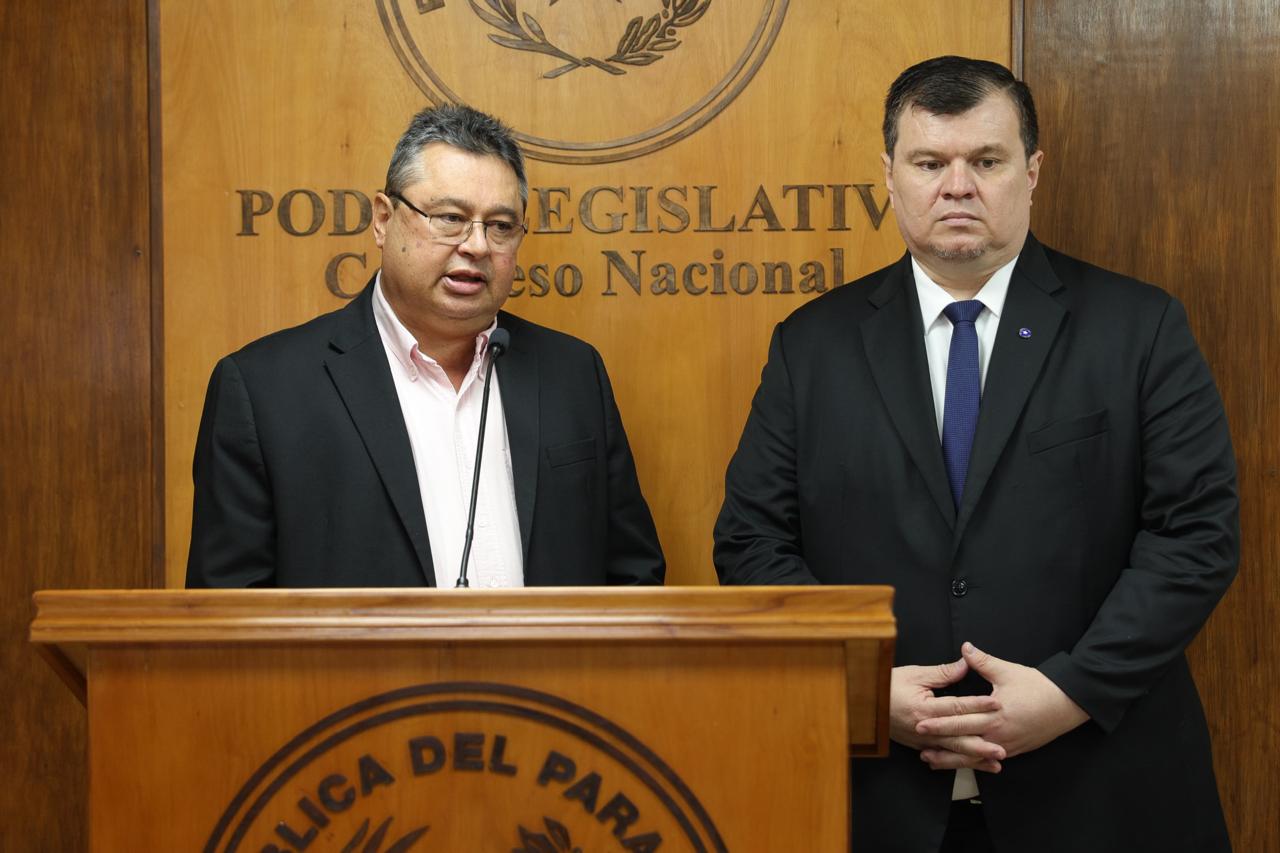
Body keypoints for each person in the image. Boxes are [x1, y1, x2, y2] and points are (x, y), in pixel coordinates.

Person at [714, 56, 1238, 852]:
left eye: (985, 161)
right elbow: (751, 541)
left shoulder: (1139, 328)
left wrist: (1069, 690)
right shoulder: (809, 346)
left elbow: (1195, 536)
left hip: (1097, 789)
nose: (957, 186)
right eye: (930, 163)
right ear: (889, 176)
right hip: (876, 796)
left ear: (1031, 172)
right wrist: (857, 684)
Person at [188, 104, 664, 589]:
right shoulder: (265, 391)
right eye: (450, 217)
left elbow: (632, 573)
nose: (477, 245)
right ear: (382, 219)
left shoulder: (572, 373)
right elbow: (228, 616)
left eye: (501, 226)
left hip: (552, 669)